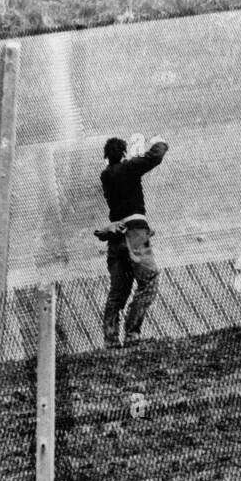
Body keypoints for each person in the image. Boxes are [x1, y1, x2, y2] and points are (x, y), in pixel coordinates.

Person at [96, 135, 168, 348]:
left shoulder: (105, 175)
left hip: (115, 236)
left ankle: (110, 340)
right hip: (136, 232)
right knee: (149, 280)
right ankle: (132, 333)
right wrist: (159, 142)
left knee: (118, 291)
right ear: (125, 154)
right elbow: (155, 157)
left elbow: (112, 169)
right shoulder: (129, 168)